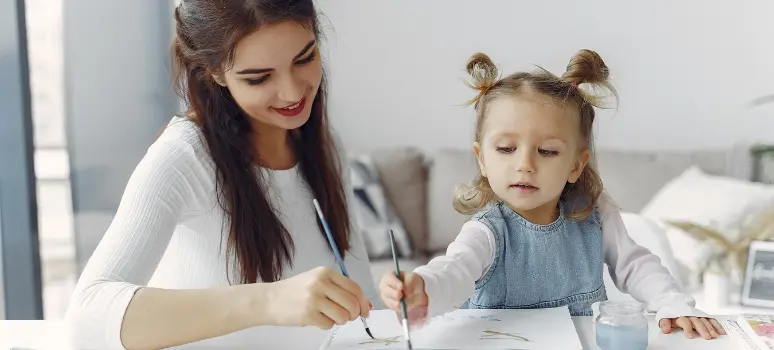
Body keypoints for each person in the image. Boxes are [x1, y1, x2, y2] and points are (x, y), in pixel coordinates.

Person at [64, 1, 378, 349]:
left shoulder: (325, 146)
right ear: (214, 72)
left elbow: (361, 284)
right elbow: (87, 319)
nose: (292, 93)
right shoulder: (184, 157)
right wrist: (269, 300)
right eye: (258, 77)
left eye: (304, 58)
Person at [379, 50, 727, 340]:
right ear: (482, 159)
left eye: (547, 151)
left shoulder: (593, 211)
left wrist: (672, 301)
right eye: (506, 148)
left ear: (576, 165)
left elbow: (634, 264)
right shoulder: (487, 231)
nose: (525, 165)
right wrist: (421, 287)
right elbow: (453, 271)